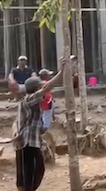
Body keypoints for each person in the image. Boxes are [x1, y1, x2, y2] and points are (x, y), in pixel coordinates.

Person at [14, 57, 66, 191]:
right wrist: (61, 72)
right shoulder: (30, 99)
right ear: (35, 90)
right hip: (27, 142)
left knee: (29, 172)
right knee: (32, 172)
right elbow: (47, 87)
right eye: (40, 86)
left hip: (28, 140)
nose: (43, 88)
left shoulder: (28, 101)